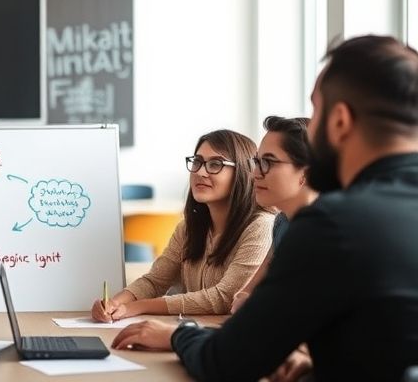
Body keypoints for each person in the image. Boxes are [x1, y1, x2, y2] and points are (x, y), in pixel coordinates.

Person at [112, 35, 418, 381]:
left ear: (340, 122)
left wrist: (177, 334)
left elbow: (227, 362)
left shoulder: (334, 225)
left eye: (316, 111)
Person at [91, 129, 274, 322]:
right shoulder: (188, 228)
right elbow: (155, 281)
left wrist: (137, 307)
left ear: (243, 172)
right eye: (197, 162)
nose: (200, 172)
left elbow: (224, 298)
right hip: (193, 333)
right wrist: (114, 304)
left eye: (215, 164)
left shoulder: (261, 227)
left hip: (226, 341)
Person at [230, 116, 317, 313]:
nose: (254, 174)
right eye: (257, 161)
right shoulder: (282, 220)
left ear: (306, 172)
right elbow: (270, 262)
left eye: (268, 162)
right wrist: (244, 293)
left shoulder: (326, 233)